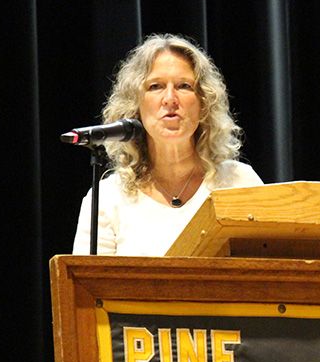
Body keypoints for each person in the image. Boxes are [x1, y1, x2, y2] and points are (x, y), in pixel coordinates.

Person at [72, 34, 263, 255]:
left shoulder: (240, 183)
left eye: (184, 86)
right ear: (136, 106)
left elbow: (268, 273)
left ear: (204, 104)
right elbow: (87, 287)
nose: (170, 98)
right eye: (155, 86)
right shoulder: (106, 199)